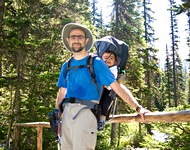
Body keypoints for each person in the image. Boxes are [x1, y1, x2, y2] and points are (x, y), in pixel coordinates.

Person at [56, 22, 150, 150]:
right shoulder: (66, 66)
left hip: (86, 112)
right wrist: (57, 118)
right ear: (68, 40)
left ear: (86, 40)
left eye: (80, 37)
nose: (76, 40)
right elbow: (62, 94)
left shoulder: (96, 63)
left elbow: (117, 87)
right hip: (66, 115)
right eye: (73, 37)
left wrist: (138, 108)